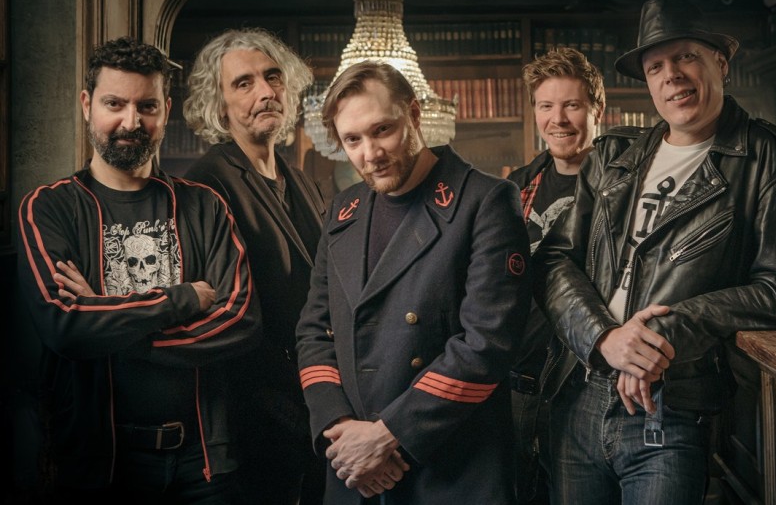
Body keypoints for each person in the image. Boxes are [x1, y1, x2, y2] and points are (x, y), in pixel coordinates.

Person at [534, 0, 776, 504]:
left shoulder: (766, 156)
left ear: (720, 64)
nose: (672, 76)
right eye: (656, 67)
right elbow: (553, 260)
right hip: (580, 391)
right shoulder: (613, 157)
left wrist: (662, 333)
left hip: (671, 403)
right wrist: (604, 337)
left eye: (686, 57)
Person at [15, 36, 261, 502]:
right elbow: (65, 326)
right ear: (87, 105)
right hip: (99, 464)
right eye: (114, 104)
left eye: (147, 106)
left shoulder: (204, 205)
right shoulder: (48, 208)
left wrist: (108, 321)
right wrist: (183, 298)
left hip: (205, 462)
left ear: (165, 110)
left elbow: (240, 320)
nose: (131, 122)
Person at [295, 60, 532, 504]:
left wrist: (388, 436)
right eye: (352, 140)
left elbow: (488, 344)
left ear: (415, 114)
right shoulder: (342, 211)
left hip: (451, 468)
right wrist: (340, 429)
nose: (370, 153)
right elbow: (313, 331)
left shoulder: (485, 201)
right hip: (353, 466)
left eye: (382, 130)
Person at [183, 27, 327, 505]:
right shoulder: (205, 184)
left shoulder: (299, 178)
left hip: (313, 397)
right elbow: (225, 314)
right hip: (253, 415)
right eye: (243, 83)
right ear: (219, 105)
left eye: (273, 77)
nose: (265, 91)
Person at [507, 46, 605, 504]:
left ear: (597, 109)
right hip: (518, 385)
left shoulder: (623, 184)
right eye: (546, 105)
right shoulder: (515, 188)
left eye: (572, 105)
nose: (558, 119)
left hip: (586, 386)